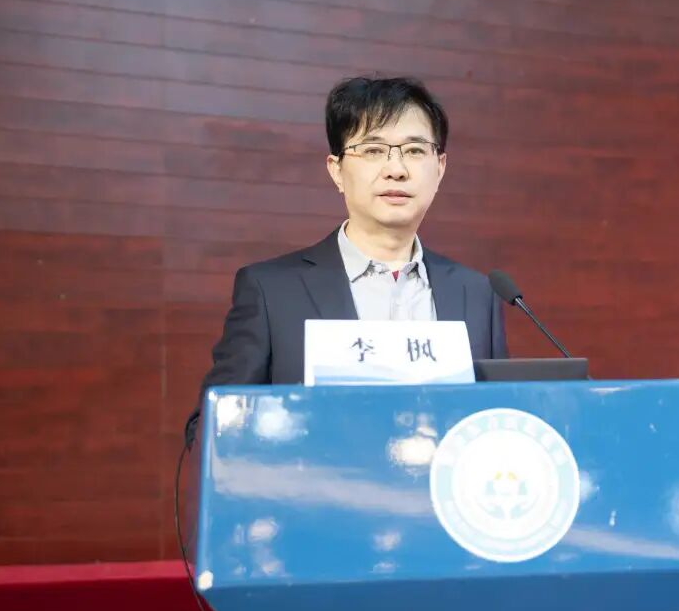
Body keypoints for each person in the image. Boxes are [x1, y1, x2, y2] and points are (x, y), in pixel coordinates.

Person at [185, 76, 508, 444]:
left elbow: (500, 421)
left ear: (440, 168)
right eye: (373, 150)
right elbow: (210, 427)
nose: (396, 169)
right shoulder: (272, 292)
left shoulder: (477, 293)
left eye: (415, 151)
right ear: (336, 170)